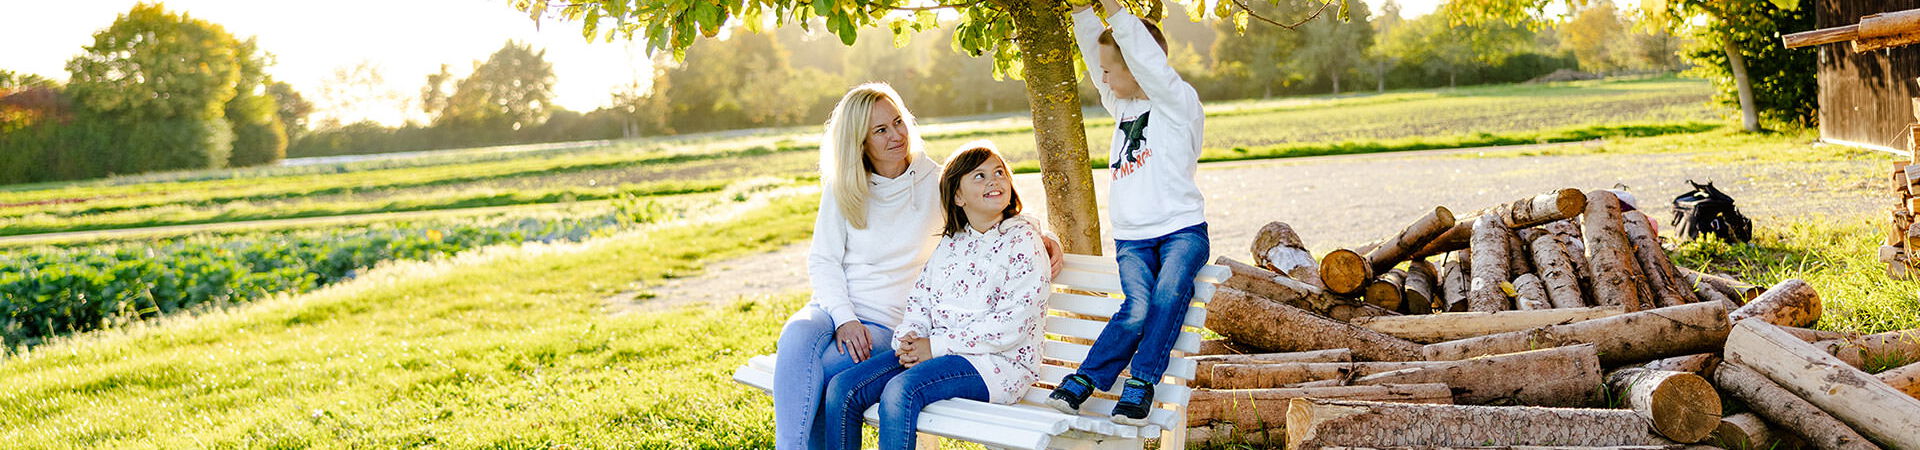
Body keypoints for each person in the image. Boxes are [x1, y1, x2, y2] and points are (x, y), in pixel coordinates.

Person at [774, 84, 1061, 450]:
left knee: (830, 375)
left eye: (898, 122)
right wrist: (844, 317)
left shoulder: (934, 182)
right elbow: (823, 260)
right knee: (796, 336)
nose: (896, 135)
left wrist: (1042, 232)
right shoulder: (844, 186)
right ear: (859, 142)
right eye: (880, 130)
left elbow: (989, 205)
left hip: (885, 321)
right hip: (840, 310)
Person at [820, 141, 1050, 450]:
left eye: (999, 172)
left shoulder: (1022, 240)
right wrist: (909, 339)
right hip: (940, 354)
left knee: (902, 390)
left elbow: (1013, 324)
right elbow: (920, 301)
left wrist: (936, 346)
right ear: (958, 196)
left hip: (997, 365)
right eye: (979, 176)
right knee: (843, 388)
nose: (994, 180)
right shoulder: (951, 244)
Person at [1046, 0, 1211, 426]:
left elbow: (1147, 61)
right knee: (1136, 307)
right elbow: (1093, 54)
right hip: (1133, 239)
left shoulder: (1177, 103)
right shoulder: (1121, 106)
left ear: (1139, 66)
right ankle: (1087, 378)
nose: (1101, 78)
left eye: (1110, 69)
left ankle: (1141, 382)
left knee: (1167, 294)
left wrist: (1117, 13)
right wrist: (1084, 13)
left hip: (1181, 231)